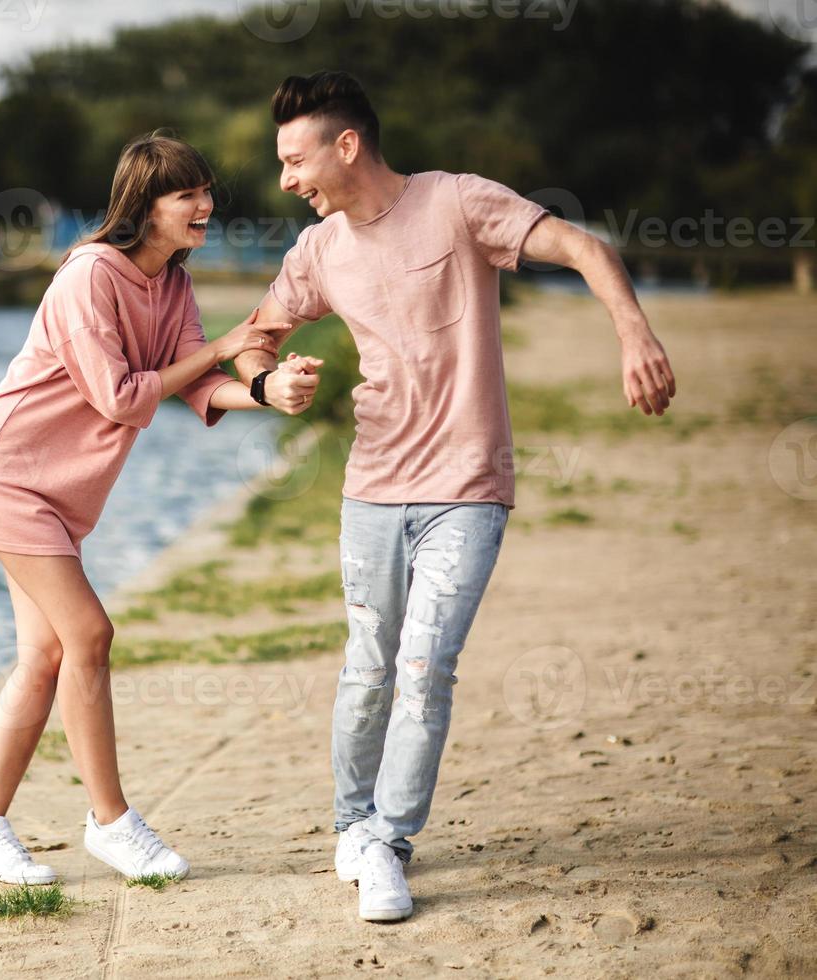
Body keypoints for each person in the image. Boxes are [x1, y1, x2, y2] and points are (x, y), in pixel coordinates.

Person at [231, 71, 677, 922]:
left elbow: (587, 247)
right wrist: (268, 384)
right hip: (370, 489)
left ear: (347, 145)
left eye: (296, 160)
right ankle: (350, 825)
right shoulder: (319, 251)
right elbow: (254, 340)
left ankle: (388, 845)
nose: (287, 180)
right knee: (367, 666)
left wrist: (635, 334)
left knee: (425, 667)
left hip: (468, 489)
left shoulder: (457, 203)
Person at [0, 133, 307, 885]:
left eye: (207, 191)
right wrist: (221, 350)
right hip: (6, 473)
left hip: (59, 491)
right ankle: (112, 823)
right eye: (189, 195)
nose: (206, 206)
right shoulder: (89, 277)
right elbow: (121, 396)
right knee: (90, 634)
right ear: (145, 206)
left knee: (44, 657)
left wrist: (267, 391)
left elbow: (197, 385)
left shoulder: (172, 283)